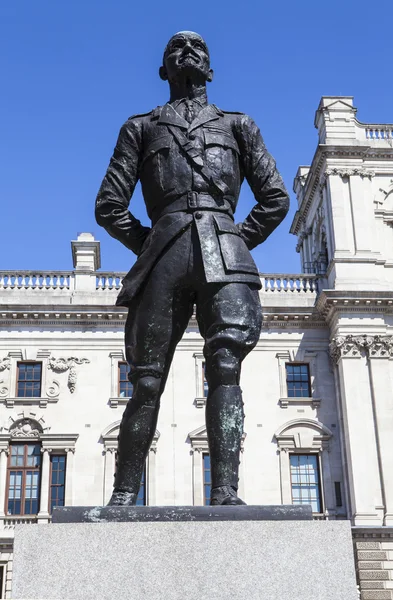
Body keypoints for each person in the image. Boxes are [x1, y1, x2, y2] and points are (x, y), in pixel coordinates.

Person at [95, 31, 289, 505]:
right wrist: (151, 244)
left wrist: (237, 239)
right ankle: (123, 493)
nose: (187, 53)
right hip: (165, 250)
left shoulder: (240, 125)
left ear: (210, 68)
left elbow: (276, 197)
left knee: (225, 366)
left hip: (225, 252)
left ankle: (224, 491)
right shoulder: (140, 127)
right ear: (163, 70)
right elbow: (108, 205)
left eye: (198, 49)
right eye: (175, 50)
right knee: (146, 377)